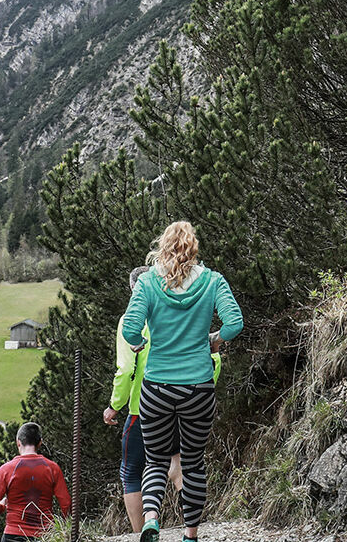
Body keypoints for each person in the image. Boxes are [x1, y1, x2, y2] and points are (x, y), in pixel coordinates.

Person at [120, 221, 243, 542]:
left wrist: (140, 344)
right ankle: (190, 534)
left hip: (157, 387)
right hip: (198, 386)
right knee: (192, 461)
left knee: (156, 459)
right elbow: (235, 322)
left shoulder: (147, 283)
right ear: (194, 247)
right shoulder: (214, 281)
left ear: (162, 246)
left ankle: (150, 520)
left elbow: (130, 328)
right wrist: (214, 339)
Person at [108, 266, 226, 531]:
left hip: (145, 406)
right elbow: (213, 359)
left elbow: (126, 369)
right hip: (190, 397)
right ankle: (191, 526)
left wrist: (115, 406)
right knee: (180, 464)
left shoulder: (131, 320)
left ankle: (142, 531)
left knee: (132, 470)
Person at [0, 422, 71, 541]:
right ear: (40, 442)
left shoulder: (7, 469)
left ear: (18, 442)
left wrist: (2, 507)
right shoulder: (52, 468)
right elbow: (66, 503)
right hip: (44, 534)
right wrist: (64, 527)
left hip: (13, 533)